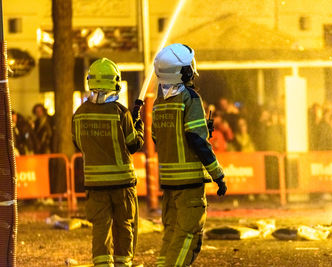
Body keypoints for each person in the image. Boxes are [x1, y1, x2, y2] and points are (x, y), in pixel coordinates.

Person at [152, 43, 227, 267]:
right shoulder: (190, 98)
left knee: (172, 234)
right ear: (184, 71)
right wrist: (218, 175)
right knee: (188, 236)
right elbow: (196, 140)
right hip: (189, 184)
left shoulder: (159, 103)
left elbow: (159, 138)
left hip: (168, 183)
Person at [72, 58, 144, 267]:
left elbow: (79, 143)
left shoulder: (79, 114)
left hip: (95, 184)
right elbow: (133, 145)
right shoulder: (120, 112)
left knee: (100, 227)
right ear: (115, 82)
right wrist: (137, 125)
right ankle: (123, 264)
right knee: (124, 226)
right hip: (122, 184)